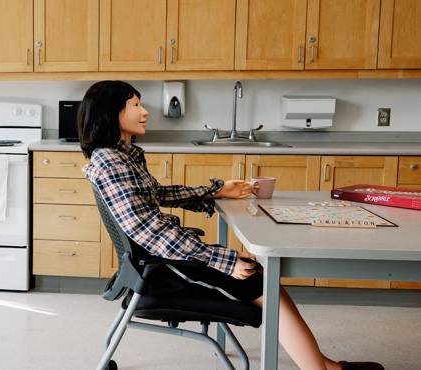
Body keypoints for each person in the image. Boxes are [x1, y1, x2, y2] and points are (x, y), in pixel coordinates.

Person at [78, 80, 384, 370]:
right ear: (113, 114)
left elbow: (157, 194)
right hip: (162, 270)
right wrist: (221, 261)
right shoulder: (112, 163)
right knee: (260, 280)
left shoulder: (119, 157)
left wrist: (215, 191)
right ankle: (321, 368)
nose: (144, 112)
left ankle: (323, 365)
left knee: (261, 276)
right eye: (135, 105)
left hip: (160, 261)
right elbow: (147, 230)